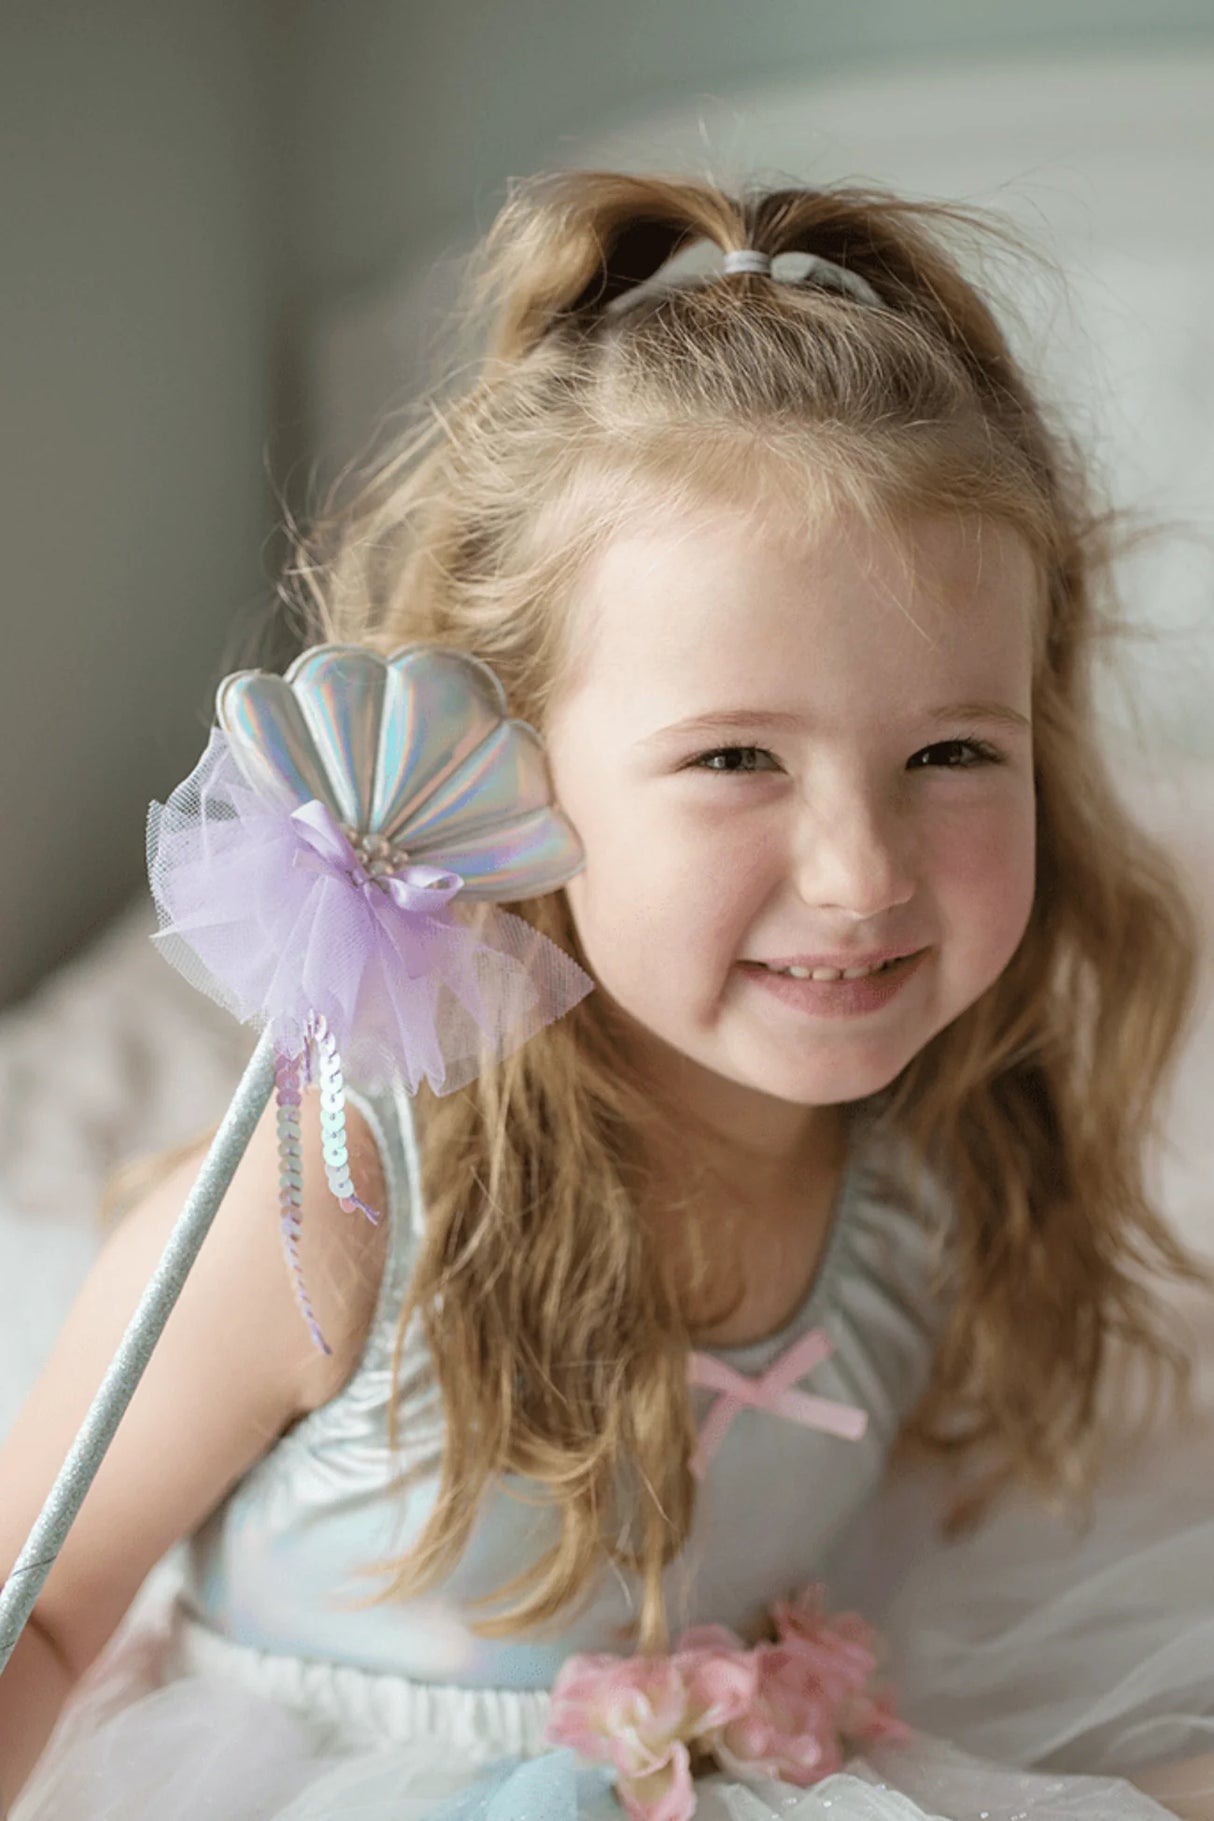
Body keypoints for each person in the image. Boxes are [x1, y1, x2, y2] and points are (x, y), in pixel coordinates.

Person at [2, 169, 1213, 1821]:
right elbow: (45, 1613)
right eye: (733, 757)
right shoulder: (342, 1199)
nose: (861, 872)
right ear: (507, 764)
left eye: (948, 752)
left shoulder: (929, 1161)